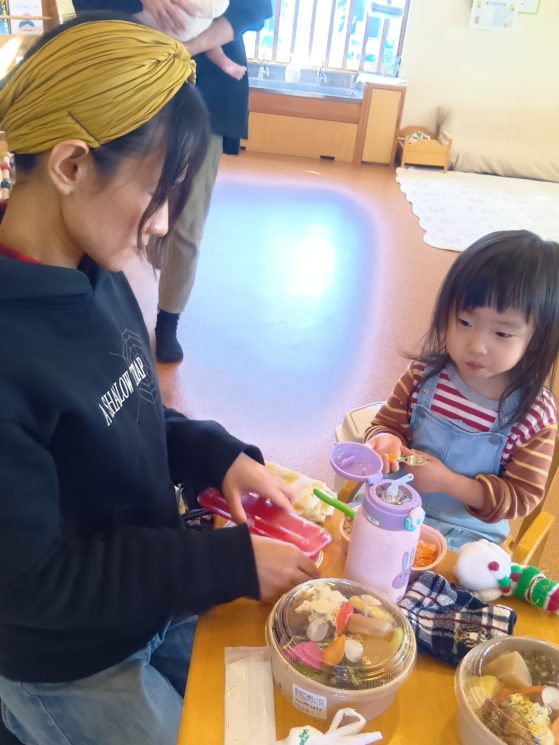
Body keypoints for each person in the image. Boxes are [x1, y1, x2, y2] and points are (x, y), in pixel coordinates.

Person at [0, 18, 318, 745]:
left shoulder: (93, 267)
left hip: (148, 599)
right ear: (72, 164)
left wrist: (213, 453)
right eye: (158, 191)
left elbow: (127, 410)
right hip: (69, 656)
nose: (166, 222)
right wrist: (224, 562)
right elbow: (35, 580)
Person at [73, 0, 273, 363]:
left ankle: (168, 319)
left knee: (185, 220)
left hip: (206, 93)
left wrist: (187, 47)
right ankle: (91, 305)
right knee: (106, 202)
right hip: (127, 78)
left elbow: (256, 7)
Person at [365, 230, 559, 551]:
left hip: (465, 534)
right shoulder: (424, 376)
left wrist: (449, 483)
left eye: (501, 333)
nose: (476, 346)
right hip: (393, 504)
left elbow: (521, 497)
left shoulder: (535, 415)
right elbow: (386, 425)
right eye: (465, 322)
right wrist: (385, 440)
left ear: (537, 339)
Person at [136, 0, 249, 81]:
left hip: (200, 28)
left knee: (211, 36)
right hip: (162, 27)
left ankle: (222, 59)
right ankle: (221, 58)